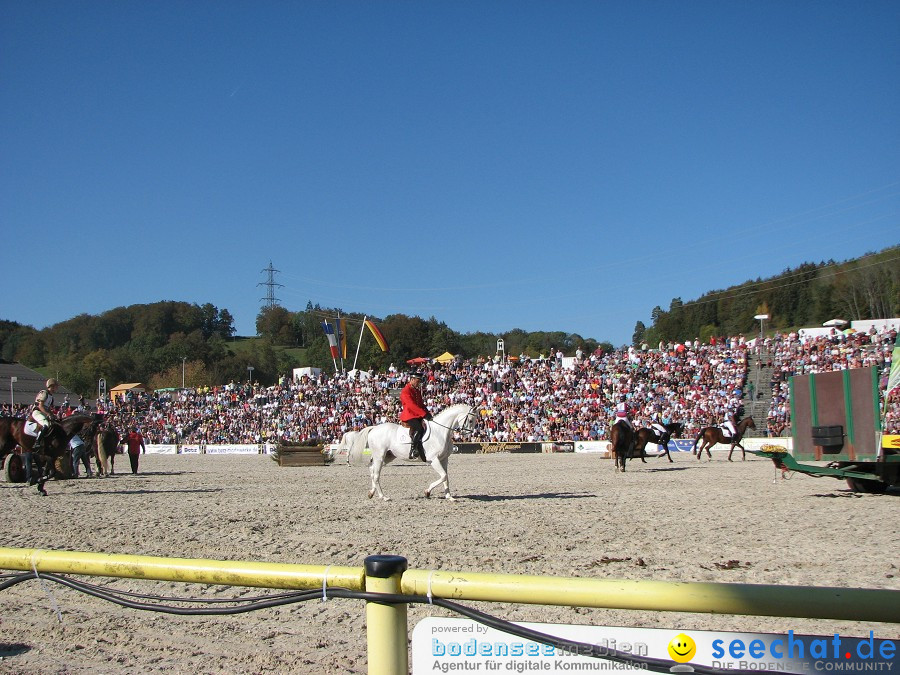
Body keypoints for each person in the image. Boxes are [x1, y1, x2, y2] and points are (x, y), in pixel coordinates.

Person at [400, 372, 431, 461]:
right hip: (409, 415)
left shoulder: (416, 390)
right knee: (419, 428)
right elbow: (411, 405)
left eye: (419, 382)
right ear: (412, 380)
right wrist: (423, 414)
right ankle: (413, 450)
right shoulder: (406, 390)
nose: (419, 383)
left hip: (417, 414)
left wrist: (427, 413)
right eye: (417, 381)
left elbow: (420, 404)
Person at [31, 378, 59, 451]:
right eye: (56, 386)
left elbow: (48, 408)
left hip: (44, 413)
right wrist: (48, 414)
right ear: (52, 386)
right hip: (37, 412)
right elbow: (40, 406)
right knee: (46, 424)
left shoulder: (51, 397)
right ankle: (37, 442)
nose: (57, 388)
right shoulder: (44, 393)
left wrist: (53, 415)